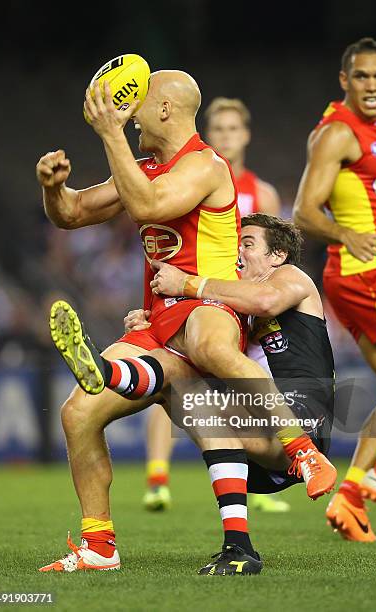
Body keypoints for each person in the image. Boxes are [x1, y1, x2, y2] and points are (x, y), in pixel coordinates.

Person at [36, 70, 335, 573]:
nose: (129, 117)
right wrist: (53, 189)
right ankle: (99, 545)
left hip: (209, 306)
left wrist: (109, 134)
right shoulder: (145, 166)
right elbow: (73, 213)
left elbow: (150, 205)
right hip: (157, 317)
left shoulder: (204, 164)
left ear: (167, 111)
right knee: (77, 414)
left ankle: (301, 449)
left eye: (138, 106)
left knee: (207, 351)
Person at [51, 214, 336, 575]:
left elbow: (264, 300)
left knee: (191, 381)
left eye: (248, 244)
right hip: (250, 443)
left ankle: (303, 456)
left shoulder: (288, 277)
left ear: (277, 255)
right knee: (172, 373)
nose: (238, 252)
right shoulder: (229, 301)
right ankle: (111, 375)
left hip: (300, 420)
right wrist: (154, 324)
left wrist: (187, 282)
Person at [292, 37, 376, 542]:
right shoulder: (336, 134)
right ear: (345, 81)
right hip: (365, 271)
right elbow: (304, 210)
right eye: (361, 77)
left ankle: (349, 499)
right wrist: (345, 233)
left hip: (371, 273)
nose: (371, 85)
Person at [143, 97, 283, 513]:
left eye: (232, 129)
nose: (225, 136)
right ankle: (157, 478)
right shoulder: (192, 177)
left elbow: (278, 257)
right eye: (218, 129)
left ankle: (261, 479)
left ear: (246, 136)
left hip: (246, 304)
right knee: (175, 377)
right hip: (202, 298)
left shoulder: (263, 194)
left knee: (241, 395)